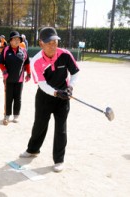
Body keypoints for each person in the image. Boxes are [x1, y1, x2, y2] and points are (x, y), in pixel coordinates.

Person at [19, 27, 80, 172]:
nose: (53, 45)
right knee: (39, 125)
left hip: (63, 98)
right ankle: (33, 149)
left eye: (55, 42)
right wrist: (56, 92)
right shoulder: (36, 61)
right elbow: (42, 84)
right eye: (49, 43)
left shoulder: (65, 55)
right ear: (41, 43)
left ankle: (59, 160)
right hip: (45, 97)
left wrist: (70, 87)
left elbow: (75, 72)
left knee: (61, 128)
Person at [0, 31, 31, 125]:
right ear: (11, 41)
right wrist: (4, 71)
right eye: (15, 39)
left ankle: (16, 115)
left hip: (19, 79)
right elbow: (0, 63)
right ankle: (7, 115)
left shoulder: (23, 51)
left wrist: (29, 73)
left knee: (18, 98)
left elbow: (27, 63)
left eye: (18, 39)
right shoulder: (6, 50)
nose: (17, 41)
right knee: (9, 98)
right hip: (8, 79)